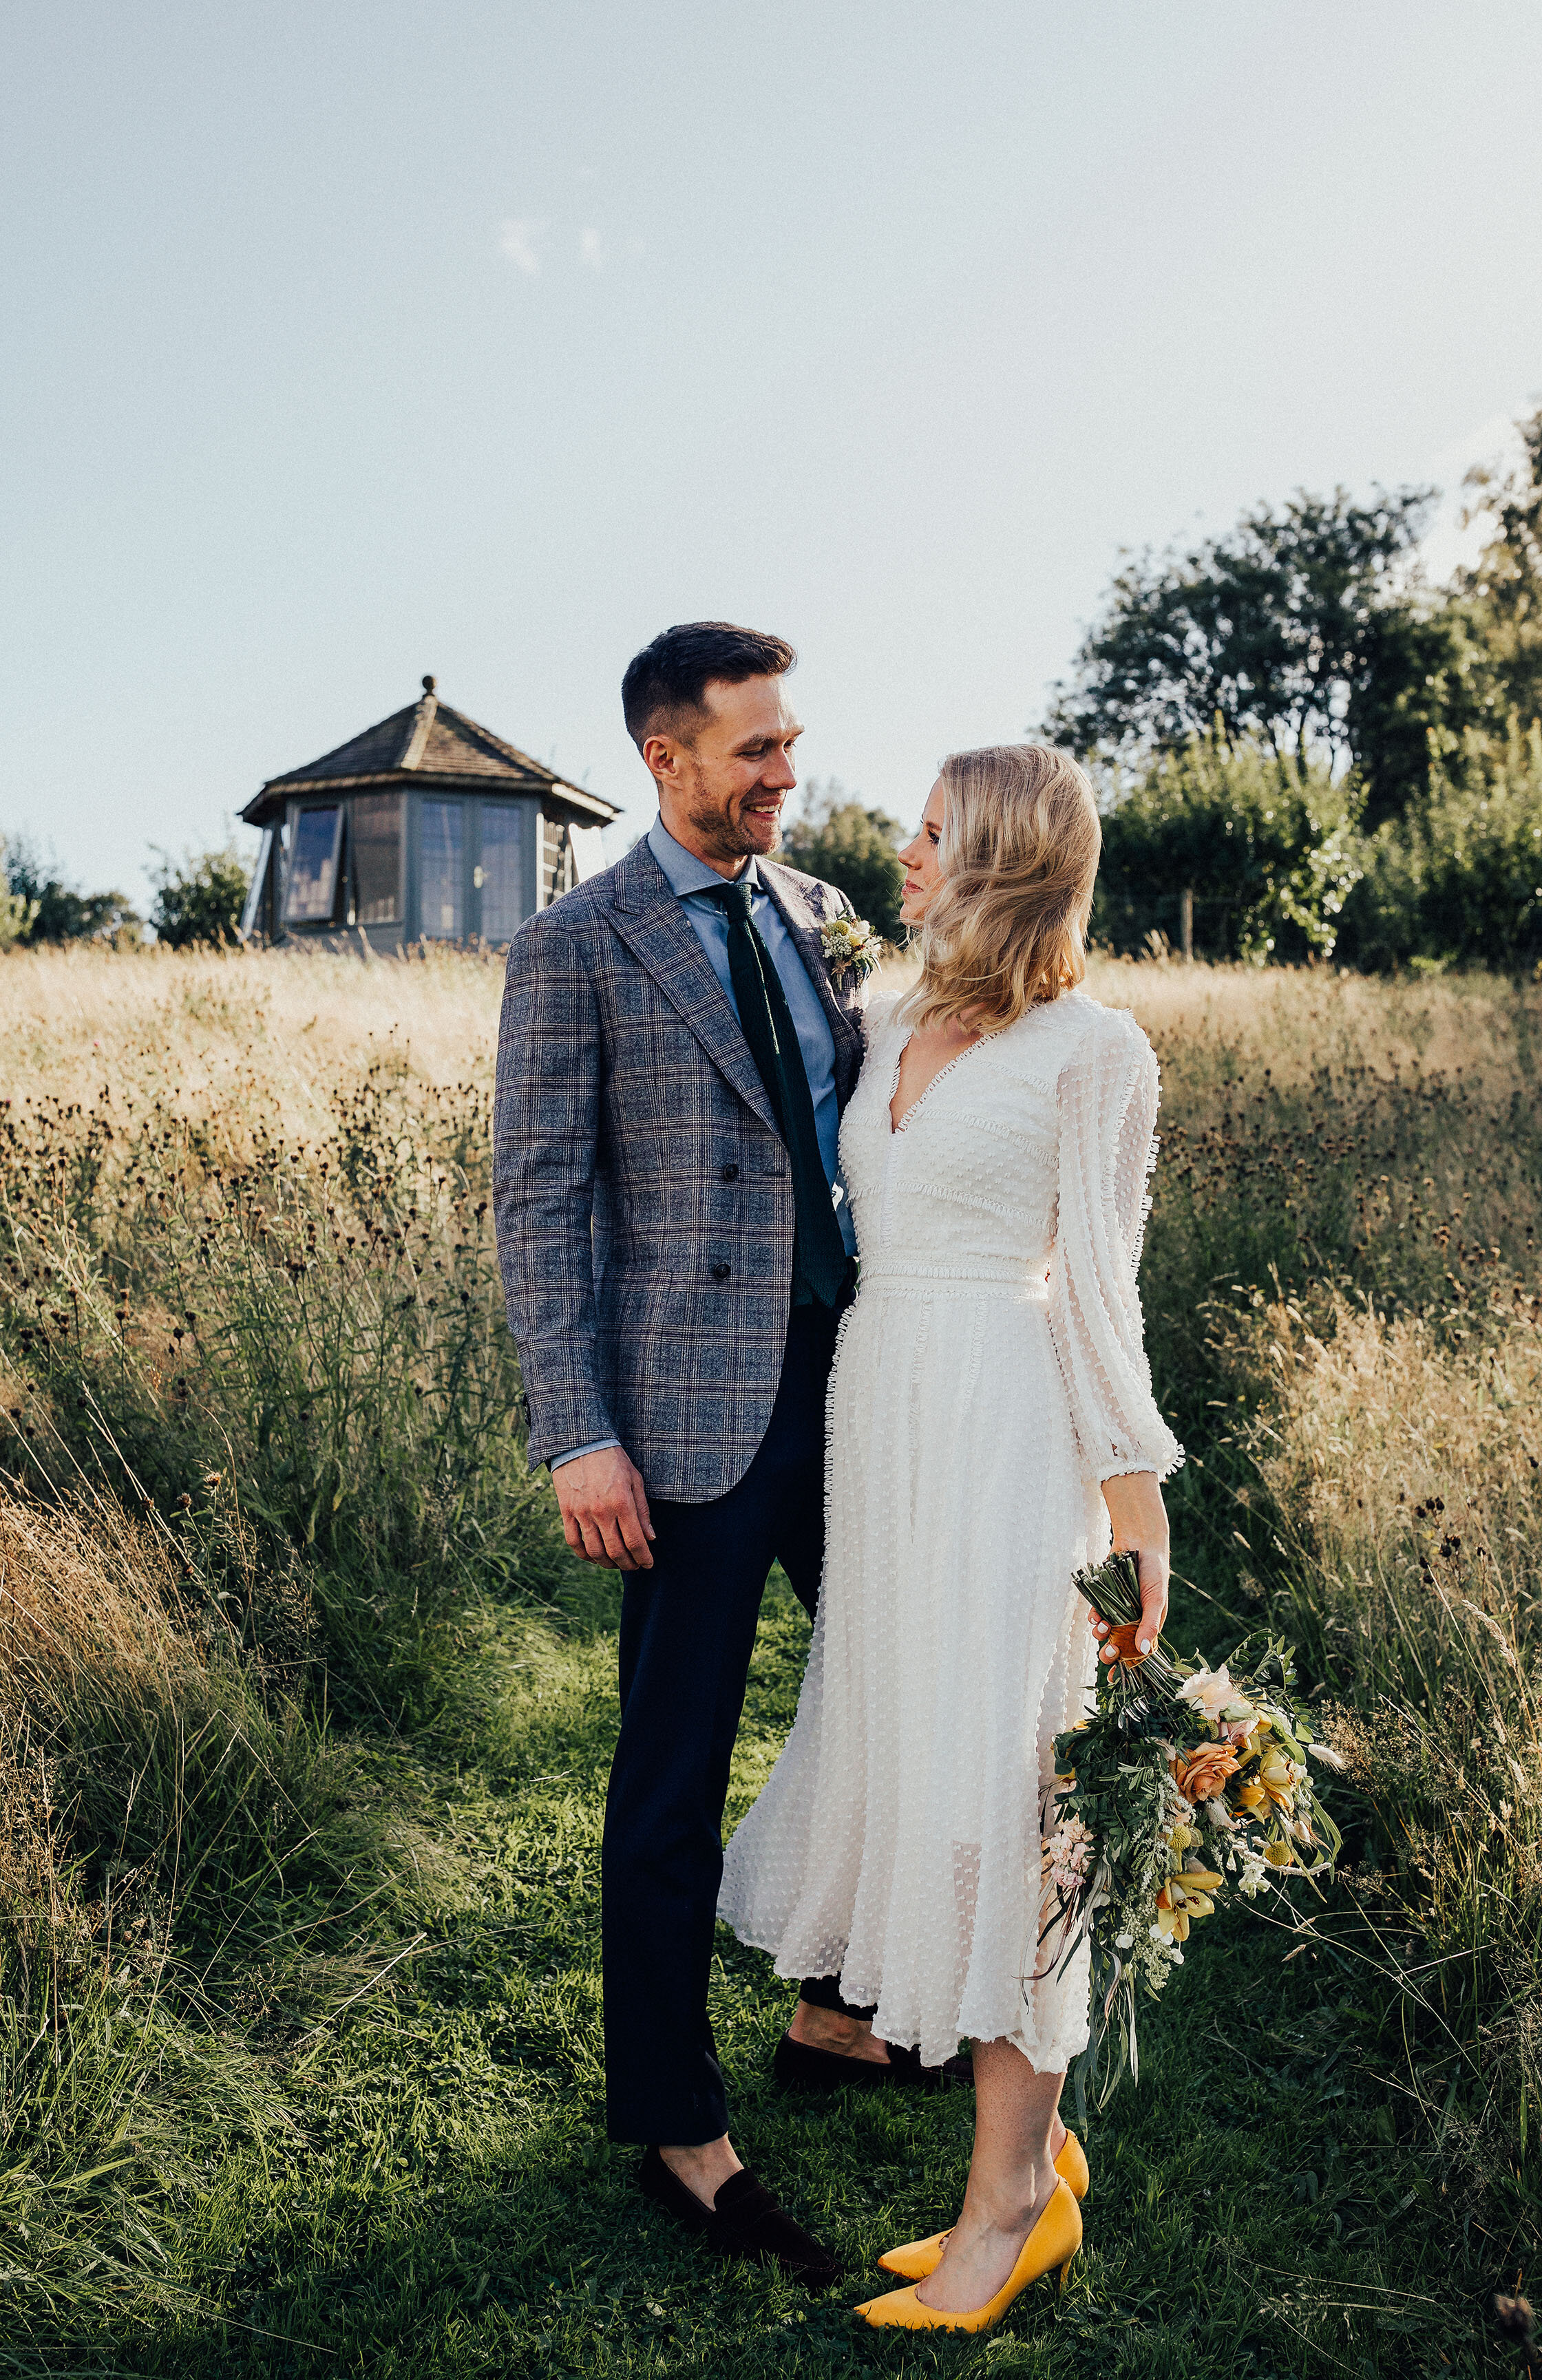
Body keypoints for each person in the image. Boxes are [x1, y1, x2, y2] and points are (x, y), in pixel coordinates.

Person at [494, 621, 951, 2291]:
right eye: (754, 748)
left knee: (885, 1715)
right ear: (664, 758)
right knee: (672, 1776)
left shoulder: (818, 914)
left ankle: (839, 2008)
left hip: (857, 1395)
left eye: (790, 739)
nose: (786, 771)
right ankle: (678, 2127)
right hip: (683, 1426)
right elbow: (538, 1204)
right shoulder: (577, 944)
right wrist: (581, 1433)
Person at [717, 742, 1183, 2333]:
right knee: (915, 1759)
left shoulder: (1094, 1051)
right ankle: (1032, 2165)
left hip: (1001, 1427)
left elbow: (1100, 1299)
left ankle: (1005, 2210)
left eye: (928, 837)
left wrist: (1134, 1509)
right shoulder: (886, 1020)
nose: (899, 859)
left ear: (997, 858)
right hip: (881, 1416)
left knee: (1006, 1790)